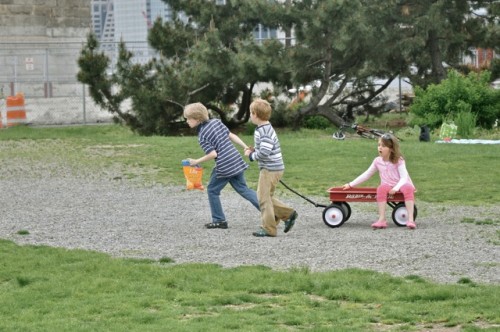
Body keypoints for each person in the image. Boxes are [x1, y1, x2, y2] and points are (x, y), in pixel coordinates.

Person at [183, 102, 259, 229]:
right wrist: (245, 146)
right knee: (244, 189)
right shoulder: (216, 122)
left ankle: (219, 220)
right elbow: (232, 136)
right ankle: (270, 213)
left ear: (197, 119)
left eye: (188, 119)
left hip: (225, 164)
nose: (187, 121)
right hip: (235, 159)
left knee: (212, 190)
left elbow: (213, 154)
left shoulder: (202, 135)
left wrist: (196, 162)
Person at [244, 98, 298, 237]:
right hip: (273, 168)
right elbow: (264, 148)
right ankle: (287, 215)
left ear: (255, 114)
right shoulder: (263, 128)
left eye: (251, 112)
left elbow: (265, 153)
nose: (250, 115)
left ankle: (269, 228)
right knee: (266, 197)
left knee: (262, 199)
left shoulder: (264, 131)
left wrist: (251, 156)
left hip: (270, 169)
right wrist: (254, 150)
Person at [342, 133, 417, 229]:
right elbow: (367, 174)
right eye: (379, 145)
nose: (380, 148)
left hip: (401, 184)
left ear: (391, 149)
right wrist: (351, 184)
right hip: (387, 185)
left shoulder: (399, 160)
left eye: (383, 146)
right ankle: (382, 219)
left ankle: (410, 220)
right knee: (381, 189)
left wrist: (396, 188)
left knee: (408, 188)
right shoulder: (377, 161)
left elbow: (404, 177)